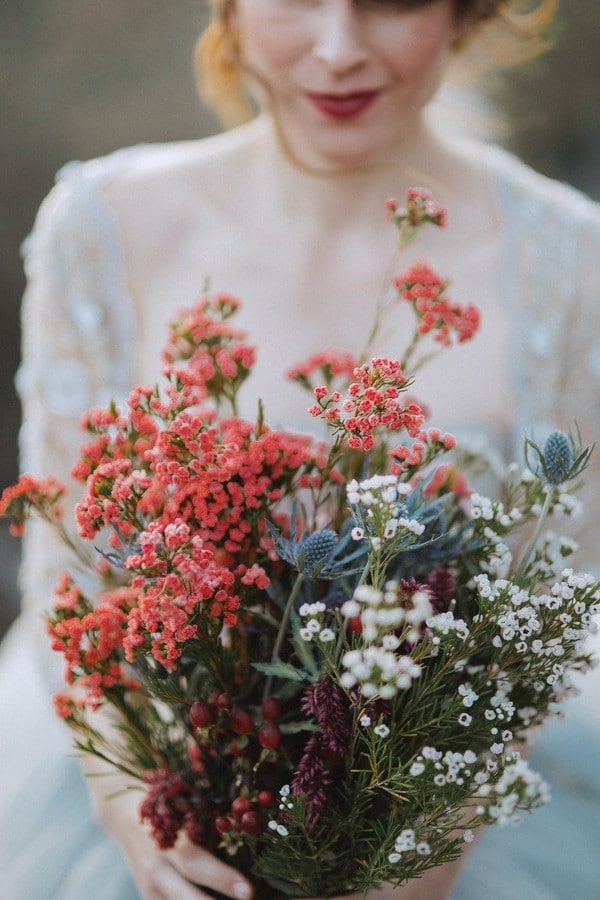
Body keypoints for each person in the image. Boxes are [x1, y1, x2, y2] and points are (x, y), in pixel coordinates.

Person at [1, 0, 599, 898]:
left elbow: (562, 589)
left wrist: (426, 844)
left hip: (455, 812)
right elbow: (68, 563)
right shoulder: (107, 222)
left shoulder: (570, 259)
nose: (338, 49)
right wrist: (127, 800)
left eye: (392, 1)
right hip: (159, 794)